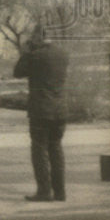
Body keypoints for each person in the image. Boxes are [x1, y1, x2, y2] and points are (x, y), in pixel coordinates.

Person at [13, 23, 70, 202]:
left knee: (39, 150)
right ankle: (60, 192)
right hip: (60, 110)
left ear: (37, 37)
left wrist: (24, 52)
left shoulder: (34, 56)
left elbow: (17, 72)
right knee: (56, 148)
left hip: (40, 111)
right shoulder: (63, 55)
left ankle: (44, 191)